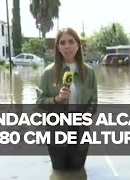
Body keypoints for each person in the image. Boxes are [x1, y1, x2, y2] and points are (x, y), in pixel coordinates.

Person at [36, 27, 98, 171]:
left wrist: (86, 116)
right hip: (56, 130)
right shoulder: (47, 73)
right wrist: (57, 99)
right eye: (62, 42)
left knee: (78, 172)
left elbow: (93, 102)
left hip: (81, 130)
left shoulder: (89, 72)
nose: (67, 46)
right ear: (57, 47)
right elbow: (39, 103)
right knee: (59, 173)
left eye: (71, 41)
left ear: (78, 45)